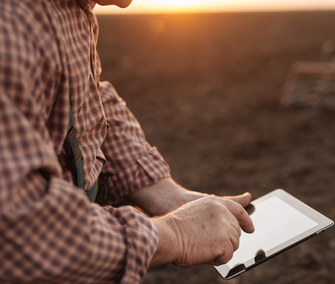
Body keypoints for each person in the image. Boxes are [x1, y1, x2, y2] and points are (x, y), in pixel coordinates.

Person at [0, 0, 254, 283]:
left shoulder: (68, 9)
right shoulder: (12, 23)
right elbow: (21, 231)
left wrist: (165, 194)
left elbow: (83, 97)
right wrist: (176, 233)